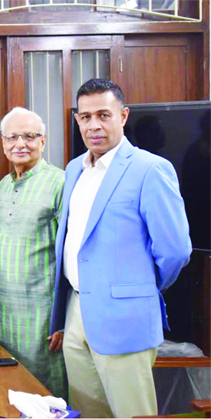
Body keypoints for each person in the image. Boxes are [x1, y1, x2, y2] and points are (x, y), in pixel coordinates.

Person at [49, 79, 192, 418]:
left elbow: (176, 251)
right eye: (85, 117)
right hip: (76, 312)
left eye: (104, 115)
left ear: (123, 116)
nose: (93, 125)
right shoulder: (73, 169)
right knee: (87, 411)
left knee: (133, 413)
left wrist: (139, 289)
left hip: (125, 317)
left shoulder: (150, 169)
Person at [0, 107, 67, 399]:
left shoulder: (60, 183)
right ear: (3, 143)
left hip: (43, 319)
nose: (20, 144)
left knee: (43, 395)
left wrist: (62, 320)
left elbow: (70, 257)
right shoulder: (2, 187)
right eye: (12, 137)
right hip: (4, 314)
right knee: (7, 391)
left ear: (43, 141)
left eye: (29, 136)